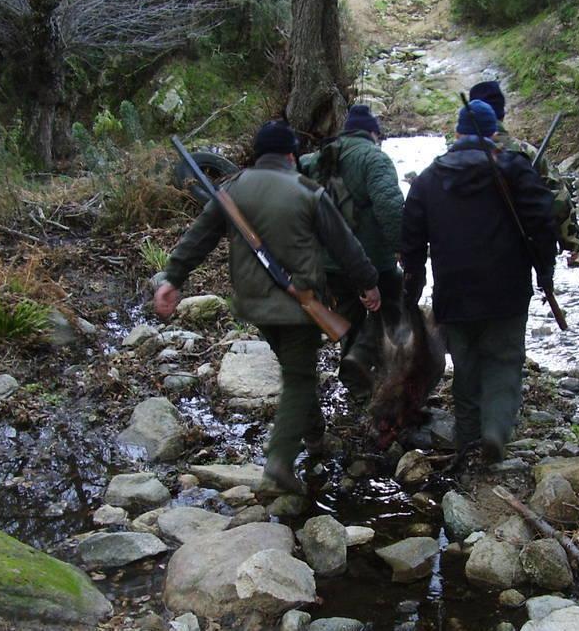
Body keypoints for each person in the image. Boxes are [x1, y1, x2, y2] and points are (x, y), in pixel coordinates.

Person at [154, 120, 382, 493]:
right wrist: (369, 283)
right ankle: (280, 458)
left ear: (258, 155)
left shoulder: (231, 190)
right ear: (291, 155)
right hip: (299, 306)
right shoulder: (307, 190)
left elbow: (198, 238)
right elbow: (345, 246)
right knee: (299, 379)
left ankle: (313, 436)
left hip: (254, 307)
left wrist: (172, 278)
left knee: (295, 370)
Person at [401, 100, 557, 462]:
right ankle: (496, 432)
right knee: (504, 361)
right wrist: (545, 273)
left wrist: (414, 287)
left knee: (466, 366)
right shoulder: (514, 169)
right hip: (508, 292)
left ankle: (467, 438)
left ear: (456, 134)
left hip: (454, 293)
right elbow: (543, 223)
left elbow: (410, 238)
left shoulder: (429, 178)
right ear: (492, 134)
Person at [299, 104, 404, 400]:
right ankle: (383, 371)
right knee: (391, 311)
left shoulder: (316, 158)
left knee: (348, 318)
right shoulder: (375, 159)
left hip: (330, 263)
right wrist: (402, 247)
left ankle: (357, 385)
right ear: (373, 133)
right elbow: (390, 208)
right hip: (373, 262)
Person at [468, 80, 579, 267]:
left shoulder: (457, 154)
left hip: (468, 250)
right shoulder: (526, 152)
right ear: (502, 114)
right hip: (519, 249)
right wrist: (571, 243)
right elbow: (558, 196)